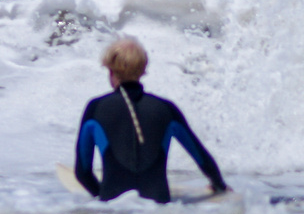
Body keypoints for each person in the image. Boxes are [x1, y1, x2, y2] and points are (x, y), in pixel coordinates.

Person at [74, 37, 227, 203]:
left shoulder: (95, 109)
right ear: (143, 69)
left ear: (111, 70)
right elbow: (201, 157)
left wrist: (101, 194)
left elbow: (82, 172)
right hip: (158, 211)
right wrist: (219, 186)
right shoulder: (167, 109)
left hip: (113, 211)